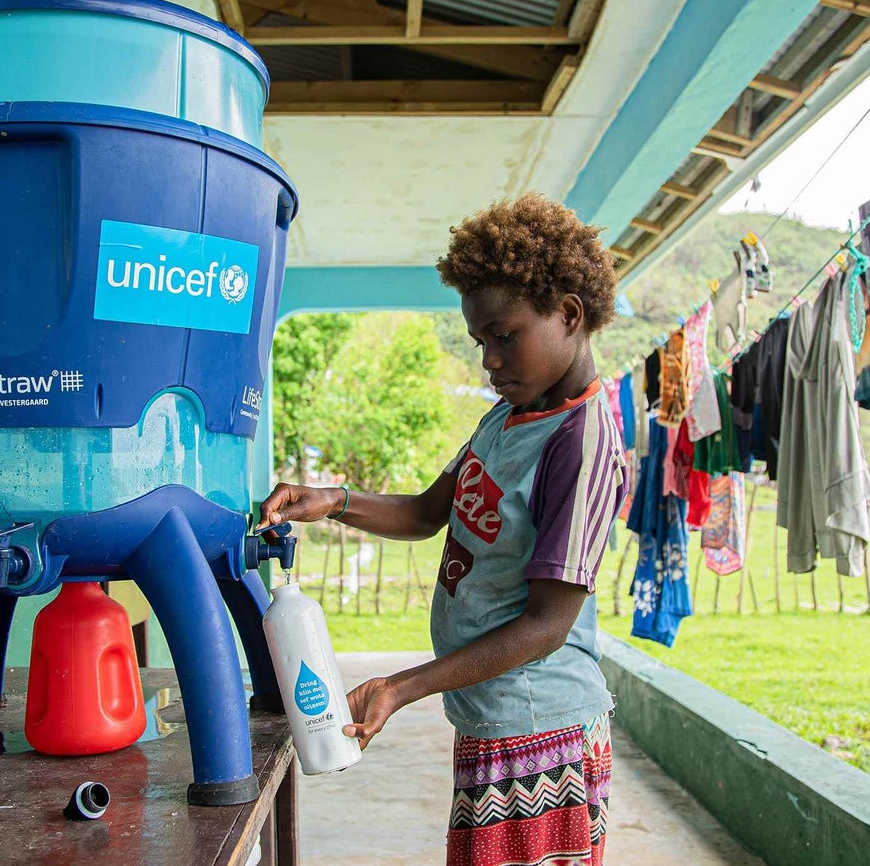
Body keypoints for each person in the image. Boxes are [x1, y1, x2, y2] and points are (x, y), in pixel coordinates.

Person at [256, 193, 627, 866]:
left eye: (503, 335)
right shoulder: (508, 417)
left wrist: (402, 685)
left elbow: (547, 625)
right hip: (493, 719)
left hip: (542, 731)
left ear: (568, 314)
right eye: (480, 340)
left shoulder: (583, 442)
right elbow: (430, 512)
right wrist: (331, 500)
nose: (489, 358)